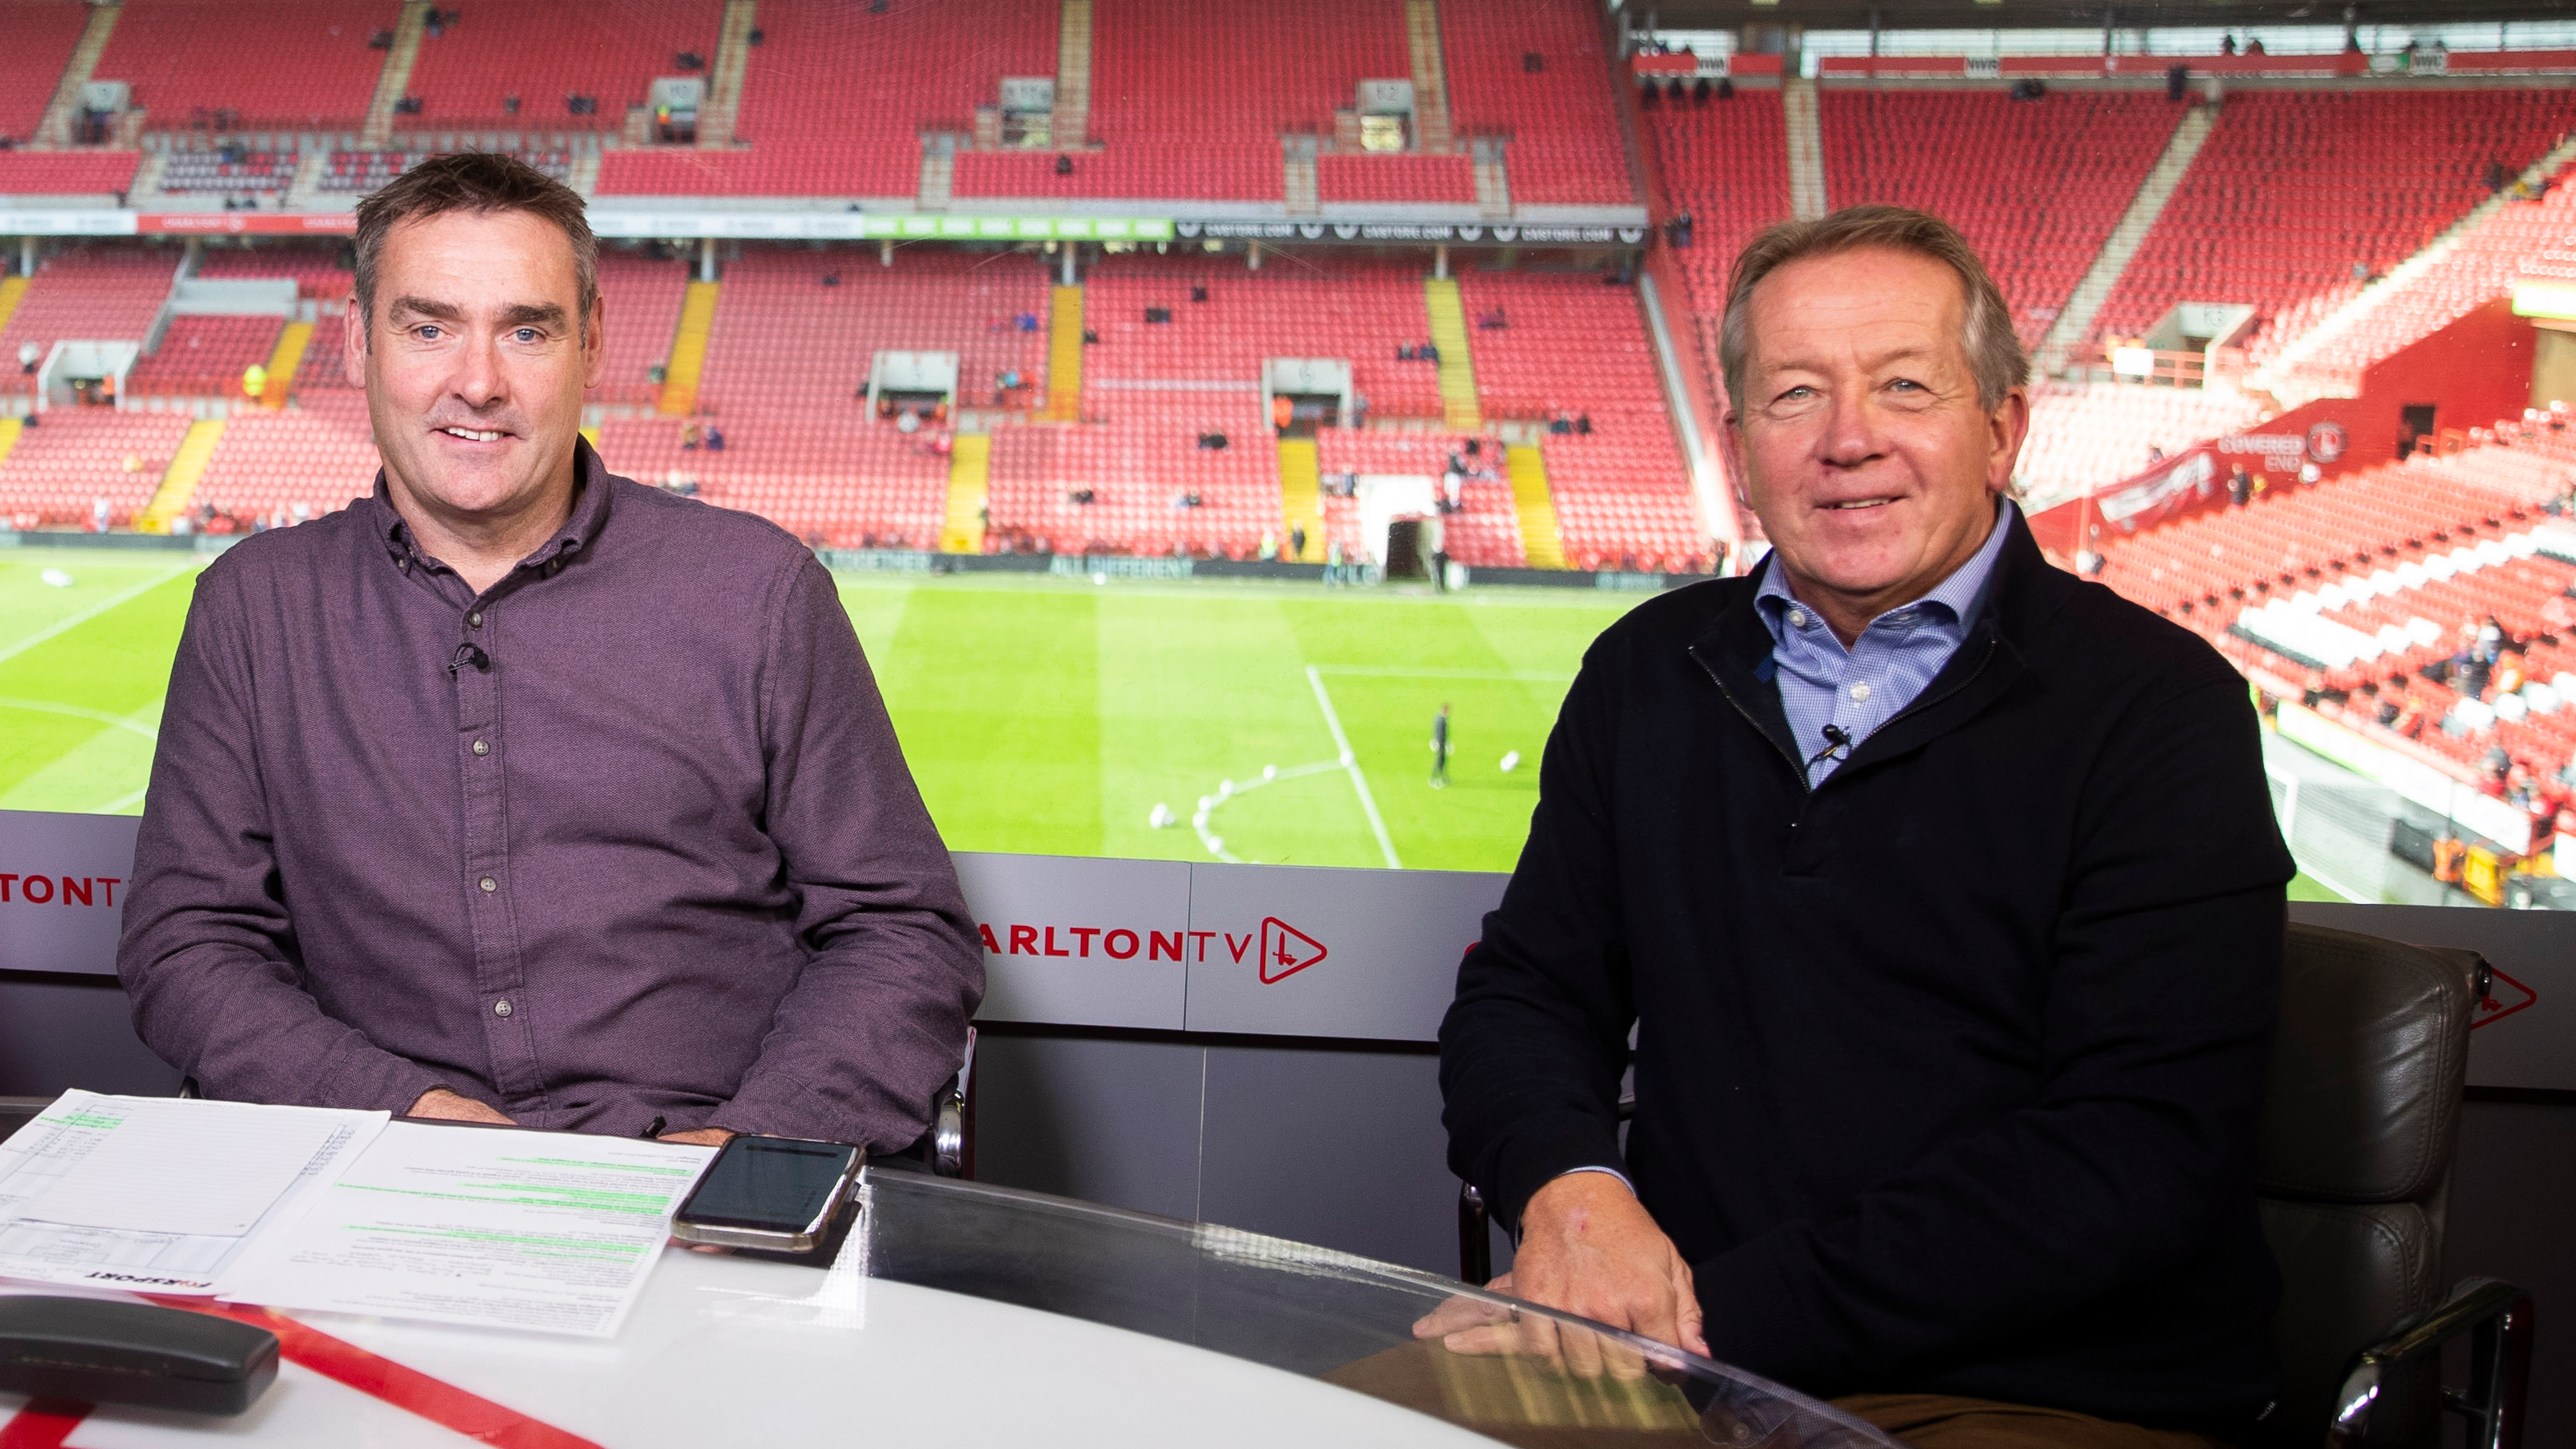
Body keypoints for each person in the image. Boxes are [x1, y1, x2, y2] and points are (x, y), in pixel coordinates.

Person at [1429, 206, 2290, 1448]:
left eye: (1904, 385)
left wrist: (1696, 1317)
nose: (1848, 440)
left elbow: (2130, 1162)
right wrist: (1573, 1194)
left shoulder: (2160, 712)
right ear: (1738, 447)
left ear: (2002, 426)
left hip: (2038, 1391)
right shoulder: (1647, 671)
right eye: (1793, 395)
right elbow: (1526, 992)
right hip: (1669, 1361)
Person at [117, 153, 983, 1153]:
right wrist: (403, 1118)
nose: (476, 382)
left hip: (702, 1178)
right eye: (427, 325)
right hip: (377, 1180)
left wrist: (749, 1150)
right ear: (356, 343)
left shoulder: (757, 592)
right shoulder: (253, 608)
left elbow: (901, 932)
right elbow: (190, 944)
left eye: (526, 330)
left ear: (592, 342)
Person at [1430, 704, 1451, 788]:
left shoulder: (1438, 718)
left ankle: (1442, 778)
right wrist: (1441, 743)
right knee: (1439, 762)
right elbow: (1440, 733)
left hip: (1440, 743)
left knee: (1441, 761)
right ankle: (1435, 779)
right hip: (1440, 744)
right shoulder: (1441, 720)